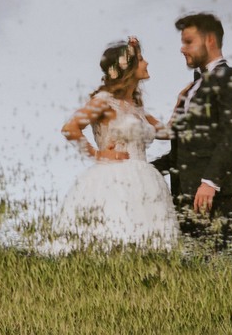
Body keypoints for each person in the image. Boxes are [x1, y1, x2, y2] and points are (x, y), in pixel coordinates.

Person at [56, 36, 177, 250]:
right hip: (115, 179)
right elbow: (70, 128)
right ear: (127, 68)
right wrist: (97, 154)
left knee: (148, 242)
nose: (147, 62)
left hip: (145, 181)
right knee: (115, 236)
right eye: (140, 59)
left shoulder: (136, 108)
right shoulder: (103, 101)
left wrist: (182, 99)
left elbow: (167, 132)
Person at [151, 12, 232, 250]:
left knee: (217, 269)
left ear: (210, 41)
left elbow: (231, 135)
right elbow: (181, 151)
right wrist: (143, 171)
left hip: (215, 193)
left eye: (188, 42)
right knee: (191, 274)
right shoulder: (189, 90)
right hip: (183, 193)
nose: (182, 49)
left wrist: (210, 182)